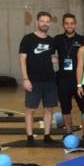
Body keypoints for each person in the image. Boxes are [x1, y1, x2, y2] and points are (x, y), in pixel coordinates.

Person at [19, 11, 58, 145]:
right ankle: (30, 137)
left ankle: (47, 136)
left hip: (50, 80)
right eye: (42, 21)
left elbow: (52, 58)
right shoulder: (28, 39)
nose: (44, 24)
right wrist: (25, 79)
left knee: (49, 109)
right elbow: (22, 59)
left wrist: (60, 59)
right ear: (37, 22)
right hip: (33, 81)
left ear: (50, 23)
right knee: (30, 109)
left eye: (47, 21)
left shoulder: (51, 41)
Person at [53, 13, 84, 134]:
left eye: (72, 23)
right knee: (65, 107)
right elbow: (49, 53)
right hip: (62, 80)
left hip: (79, 79)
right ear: (63, 25)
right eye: (67, 23)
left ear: (75, 24)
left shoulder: (83, 40)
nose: (69, 26)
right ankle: (68, 131)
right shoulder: (57, 39)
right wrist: (55, 59)